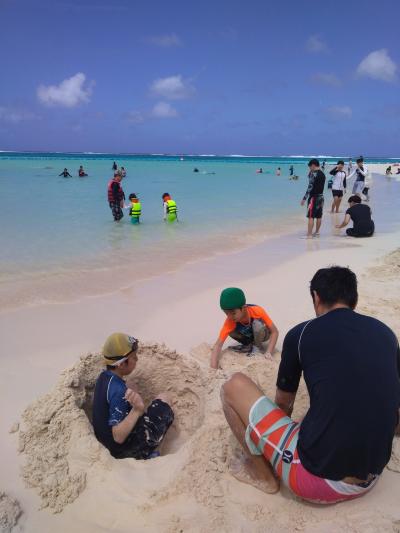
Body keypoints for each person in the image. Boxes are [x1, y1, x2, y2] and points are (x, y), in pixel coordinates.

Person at [221, 266, 400, 502]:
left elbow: (284, 405)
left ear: (316, 297)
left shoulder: (301, 334)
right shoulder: (386, 334)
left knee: (232, 386)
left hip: (319, 480)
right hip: (373, 473)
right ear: (353, 299)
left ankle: (263, 476)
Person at [92, 333, 174, 459]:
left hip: (104, 439)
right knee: (165, 398)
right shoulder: (119, 391)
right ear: (122, 364)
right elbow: (118, 437)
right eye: (134, 357)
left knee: (132, 385)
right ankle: (149, 453)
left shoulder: (104, 377)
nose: (137, 359)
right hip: (122, 450)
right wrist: (137, 410)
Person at [210, 288, 279, 369]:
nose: (230, 317)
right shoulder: (230, 321)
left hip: (263, 333)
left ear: (244, 307)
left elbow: (275, 332)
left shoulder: (257, 311)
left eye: (233, 313)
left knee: (257, 324)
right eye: (226, 313)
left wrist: (269, 352)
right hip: (248, 335)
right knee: (230, 331)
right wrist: (213, 368)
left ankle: (257, 347)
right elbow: (218, 345)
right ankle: (249, 345)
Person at [301, 159, 326, 238]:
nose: (309, 169)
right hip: (321, 197)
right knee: (319, 216)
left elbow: (310, 187)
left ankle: (309, 235)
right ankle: (317, 232)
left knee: (311, 216)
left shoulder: (313, 174)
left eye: (310, 167)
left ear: (313, 165)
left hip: (313, 198)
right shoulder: (322, 174)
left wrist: (304, 198)